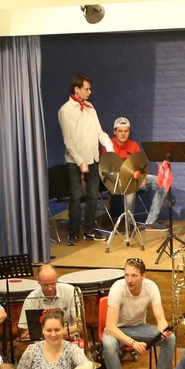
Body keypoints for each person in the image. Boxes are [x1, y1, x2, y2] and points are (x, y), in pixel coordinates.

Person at [102, 258, 175, 369]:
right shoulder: (117, 288)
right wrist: (133, 343)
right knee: (109, 345)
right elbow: (110, 327)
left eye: (134, 276)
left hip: (139, 327)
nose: (129, 280)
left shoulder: (151, 287)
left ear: (143, 276)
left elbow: (161, 319)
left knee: (170, 338)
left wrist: (163, 330)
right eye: (126, 275)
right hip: (118, 330)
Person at [58, 73, 111, 245]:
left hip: (92, 157)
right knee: (75, 196)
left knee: (93, 195)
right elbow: (69, 140)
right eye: (87, 89)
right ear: (77, 89)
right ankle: (73, 232)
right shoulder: (65, 110)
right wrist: (80, 161)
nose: (90, 92)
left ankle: (89, 229)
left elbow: (99, 132)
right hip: (75, 160)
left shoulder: (90, 107)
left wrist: (109, 147)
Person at [107, 117, 170, 230]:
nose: (123, 134)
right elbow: (109, 167)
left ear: (129, 131)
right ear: (114, 132)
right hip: (118, 181)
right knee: (130, 187)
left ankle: (151, 222)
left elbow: (139, 164)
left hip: (135, 178)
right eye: (120, 131)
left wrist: (141, 175)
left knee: (162, 183)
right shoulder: (109, 145)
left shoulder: (133, 145)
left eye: (126, 131)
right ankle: (129, 224)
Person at [17, 264, 83, 337]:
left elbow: (80, 325)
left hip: (68, 337)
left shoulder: (70, 291)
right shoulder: (31, 299)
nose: (50, 288)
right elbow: (24, 333)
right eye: (45, 285)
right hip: (42, 340)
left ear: (57, 278)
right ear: (38, 280)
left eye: (53, 283)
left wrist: (60, 333)